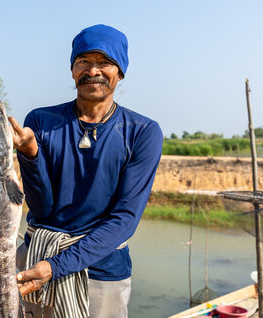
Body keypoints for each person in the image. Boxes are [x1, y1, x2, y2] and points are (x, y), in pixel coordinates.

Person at [9, 24, 163, 318]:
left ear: (120, 72)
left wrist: (56, 267)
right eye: (83, 62)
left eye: (104, 62)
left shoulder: (142, 132)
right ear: (72, 70)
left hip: (101, 272)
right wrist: (30, 155)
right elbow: (43, 209)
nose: (93, 70)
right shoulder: (41, 121)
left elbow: (124, 220)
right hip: (36, 259)